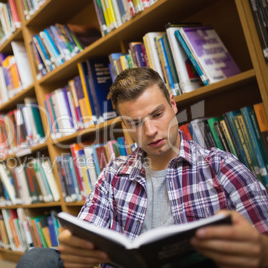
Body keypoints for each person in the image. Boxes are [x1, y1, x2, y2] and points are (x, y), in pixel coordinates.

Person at [16, 67, 268, 268]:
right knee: (38, 259)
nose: (150, 131)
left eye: (157, 114)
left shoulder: (221, 167)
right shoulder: (113, 175)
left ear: (173, 104)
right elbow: (87, 230)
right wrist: (74, 244)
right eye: (134, 123)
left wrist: (257, 250)